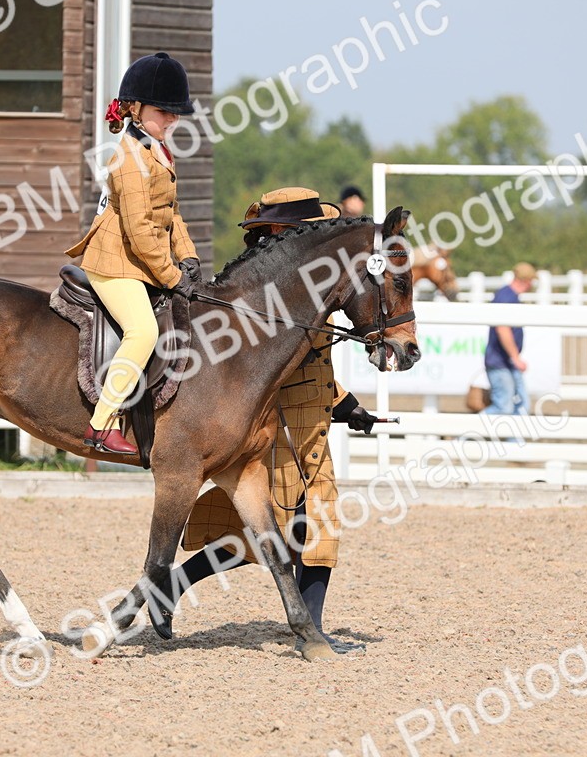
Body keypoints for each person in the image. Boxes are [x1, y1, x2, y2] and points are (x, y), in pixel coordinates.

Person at [148, 187, 378, 654]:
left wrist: (346, 404)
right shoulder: (269, 300)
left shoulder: (307, 291)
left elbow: (317, 365)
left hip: (311, 423)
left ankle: (309, 627)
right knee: (274, 530)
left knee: (313, 527)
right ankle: (174, 587)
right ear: (279, 233)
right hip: (280, 427)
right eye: (305, 231)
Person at [64, 52, 202, 456]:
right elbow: (141, 231)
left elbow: (172, 214)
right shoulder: (128, 157)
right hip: (114, 262)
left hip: (141, 262)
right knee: (144, 331)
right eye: (164, 112)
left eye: (175, 114)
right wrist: (172, 276)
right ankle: (101, 424)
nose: (172, 120)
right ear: (136, 110)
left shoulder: (158, 150)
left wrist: (188, 256)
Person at [482, 262, 537, 416]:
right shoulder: (508, 297)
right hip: (502, 362)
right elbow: (503, 329)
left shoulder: (506, 295)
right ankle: (462, 434)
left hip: (505, 362)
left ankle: (513, 441)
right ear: (527, 280)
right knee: (504, 407)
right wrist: (515, 357)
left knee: (520, 406)